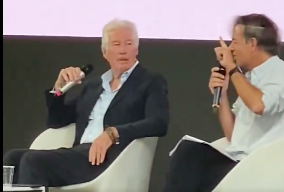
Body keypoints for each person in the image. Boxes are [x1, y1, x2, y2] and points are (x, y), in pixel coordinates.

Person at [3, 19, 169, 187]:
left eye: (129, 43)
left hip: (108, 158)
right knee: (12, 159)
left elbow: (159, 123)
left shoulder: (149, 82)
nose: (123, 50)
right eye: (116, 44)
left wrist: (112, 133)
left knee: (33, 161)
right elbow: (57, 121)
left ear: (136, 48)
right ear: (105, 52)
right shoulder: (94, 86)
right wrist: (58, 90)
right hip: (78, 155)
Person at [163, 13, 284, 192]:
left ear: (252, 44)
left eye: (235, 42)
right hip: (240, 161)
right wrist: (222, 95)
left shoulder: (282, 74)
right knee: (189, 153)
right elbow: (234, 136)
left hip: (265, 166)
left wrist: (232, 69)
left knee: (190, 157)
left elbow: (258, 105)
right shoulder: (251, 78)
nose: (231, 49)